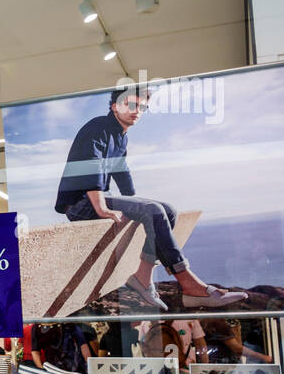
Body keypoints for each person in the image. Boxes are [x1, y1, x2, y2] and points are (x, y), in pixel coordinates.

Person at [55, 86, 247, 312]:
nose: (137, 111)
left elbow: (121, 170)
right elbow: (90, 163)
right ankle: (188, 282)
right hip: (80, 204)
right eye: (131, 105)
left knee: (167, 210)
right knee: (153, 210)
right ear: (115, 106)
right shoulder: (98, 127)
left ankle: (142, 279)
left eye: (142, 107)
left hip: (95, 198)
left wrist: (134, 204)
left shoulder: (120, 136)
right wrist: (101, 207)